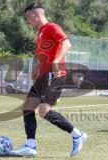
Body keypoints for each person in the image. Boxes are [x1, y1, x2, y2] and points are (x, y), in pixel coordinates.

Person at [10, 3, 87, 157]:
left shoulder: (51, 27)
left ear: (35, 14)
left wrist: (57, 60)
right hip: (42, 77)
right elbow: (39, 54)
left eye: (28, 17)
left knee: (43, 111)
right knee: (28, 107)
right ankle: (30, 145)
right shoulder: (40, 33)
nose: (27, 21)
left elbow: (66, 43)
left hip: (55, 75)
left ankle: (77, 135)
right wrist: (34, 67)